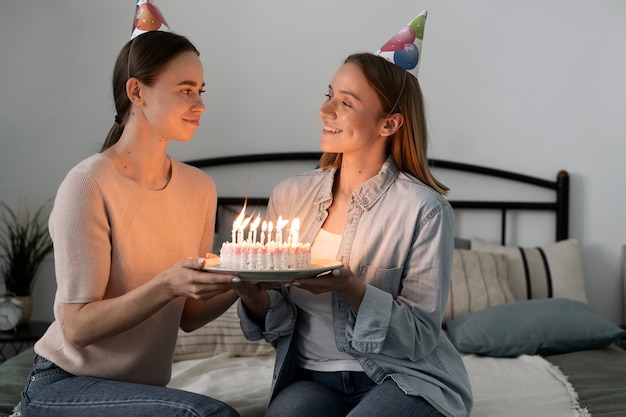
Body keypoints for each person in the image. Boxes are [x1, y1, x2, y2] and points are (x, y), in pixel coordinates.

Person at [234, 11, 473, 417]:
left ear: (389, 123)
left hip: (404, 377)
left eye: (346, 103)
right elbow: (276, 326)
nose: (325, 111)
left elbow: (418, 335)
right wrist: (250, 293)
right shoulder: (290, 195)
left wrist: (351, 288)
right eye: (329, 95)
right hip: (310, 378)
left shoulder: (425, 211)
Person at [20, 30, 241, 417]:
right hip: (64, 383)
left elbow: (187, 317)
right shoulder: (88, 183)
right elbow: (77, 327)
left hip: (140, 388)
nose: (200, 104)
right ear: (137, 92)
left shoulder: (200, 188)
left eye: (201, 90)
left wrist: (248, 278)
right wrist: (167, 282)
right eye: (186, 90)